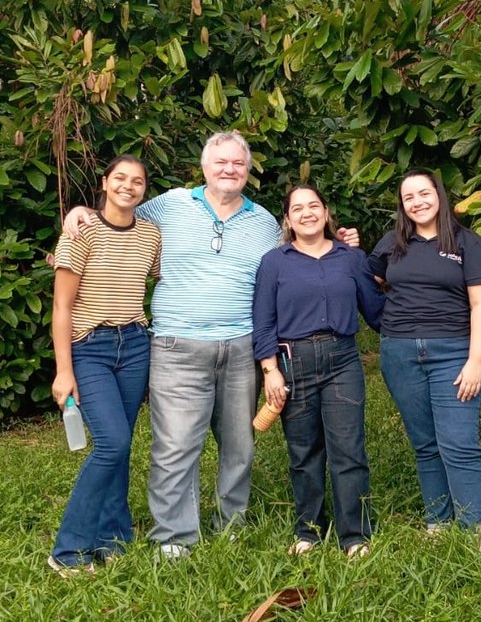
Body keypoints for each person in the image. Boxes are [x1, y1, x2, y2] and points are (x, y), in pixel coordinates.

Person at [63, 132, 359, 559]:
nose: (229, 169)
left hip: (240, 347)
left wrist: (342, 243)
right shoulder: (169, 205)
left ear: (248, 170)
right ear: (204, 167)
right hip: (176, 344)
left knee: (239, 445)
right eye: (220, 162)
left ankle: (231, 523)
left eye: (238, 163)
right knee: (175, 445)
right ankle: (174, 535)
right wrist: (80, 212)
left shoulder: (262, 223)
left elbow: (300, 256)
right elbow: (118, 210)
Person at [252, 184, 384, 557]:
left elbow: (376, 311)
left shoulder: (351, 258)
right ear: (288, 219)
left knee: (348, 450)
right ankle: (309, 531)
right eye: (298, 208)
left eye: (314, 206)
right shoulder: (274, 262)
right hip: (293, 362)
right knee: (304, 452)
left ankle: (354, 535)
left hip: (342, 359)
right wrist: (270, 370)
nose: (307, 213)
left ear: (326, 213)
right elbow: (263, 321)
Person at [49, 154, 161, 575]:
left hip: (133, 345)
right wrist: (64, 370)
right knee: (112, 444)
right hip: (89, 347)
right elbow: (61, 306)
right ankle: (69, 550)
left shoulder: (151, 235)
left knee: (122, 444)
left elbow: (163, 275)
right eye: (120, 178)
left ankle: (112, 537)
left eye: (137, 181)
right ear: (105, 181)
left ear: (144, 190)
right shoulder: (82, 231)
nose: (128, 186)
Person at [368, 169, 481, 533]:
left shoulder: (468, 243)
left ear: (439, 195)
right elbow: (370, 278)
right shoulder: (392, 242)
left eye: (424, 193)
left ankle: (473, 531)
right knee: (425, 444)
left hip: (453, 352)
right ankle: (437, 524)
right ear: (402, 205)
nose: (417, 202)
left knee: (460, 444)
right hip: (400, 353)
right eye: (409, 198)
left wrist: (475, 361)